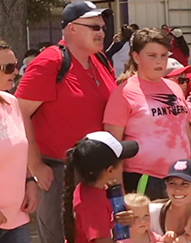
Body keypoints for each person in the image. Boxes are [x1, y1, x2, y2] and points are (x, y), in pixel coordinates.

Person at [17, 3, 116, 242]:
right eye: (94, 27)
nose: (101, 32)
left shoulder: (100, 59)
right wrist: (35, 166)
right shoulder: (50, 61)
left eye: (103, 27)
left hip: (98, 173)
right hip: (60, 173)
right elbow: (18, 113)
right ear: (71, 28)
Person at [104, 28, 191, 200]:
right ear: (136, 57)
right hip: (144, 178)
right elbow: (113, 147)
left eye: (164, 55)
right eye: (152, 56)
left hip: (181, 176)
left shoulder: (174, 87)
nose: (159, 61)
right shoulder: (123, 93)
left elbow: (184, 130)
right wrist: (119, 194)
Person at [71, 131, 138, 243]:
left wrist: (112, 221)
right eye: (122, 161)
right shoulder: (94, 203)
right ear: (110, 170)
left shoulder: (90, 190)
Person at [0, 40, 36, 243]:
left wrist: (30, 181)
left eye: (16, 64)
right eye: (8, 68)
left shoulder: (11, 102)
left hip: (17, 219)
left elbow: (20, 151)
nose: (16, 71)